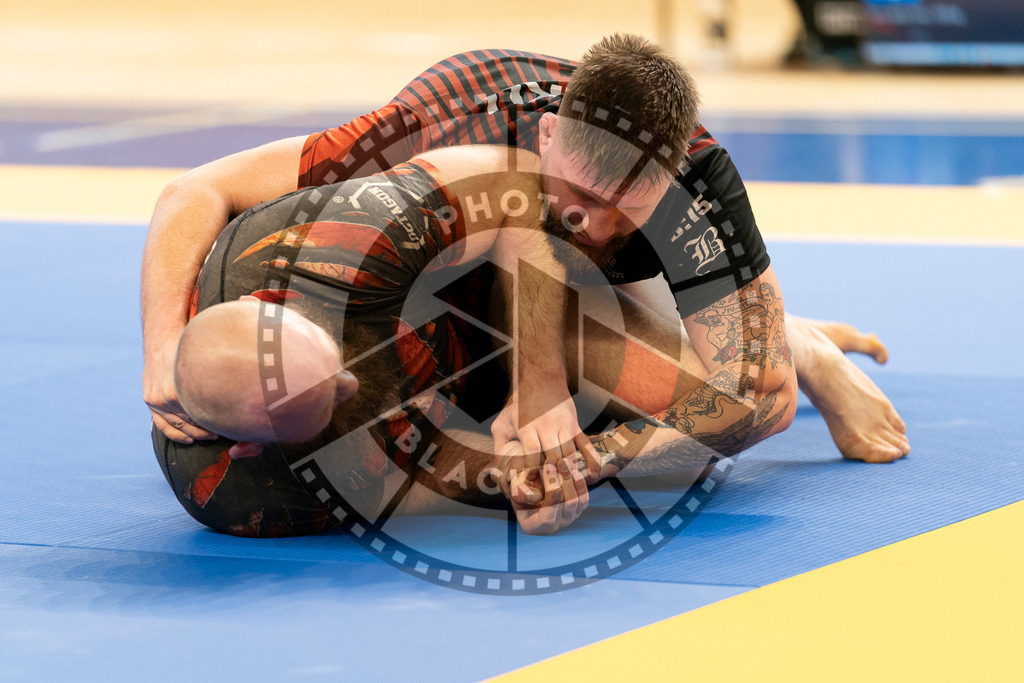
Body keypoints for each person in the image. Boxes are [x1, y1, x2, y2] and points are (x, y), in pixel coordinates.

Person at [143, 34, 908, 471]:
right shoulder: (437, 131)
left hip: (599, 298)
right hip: (460, 272)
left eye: (626, 206)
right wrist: (163, 351)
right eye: (578, 193)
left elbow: (762, 410)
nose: (594, 221)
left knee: (731, 407)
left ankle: (804, 340)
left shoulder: (697, 181)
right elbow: (194, 192)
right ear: (546, 138)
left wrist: (586, 459)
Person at [159, 144, 791, 537]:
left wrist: (539, 385)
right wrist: (570, 471)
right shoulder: (257, 495)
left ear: (266, 304)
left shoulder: (334, 246)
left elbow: (513, 182)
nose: (348, 380)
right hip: (461, 402)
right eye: (326, 402)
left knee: (747, 400)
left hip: (512, 295)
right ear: (251, 448)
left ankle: (798, 342)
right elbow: (463, 478)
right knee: (701, 437)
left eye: (329, 357)